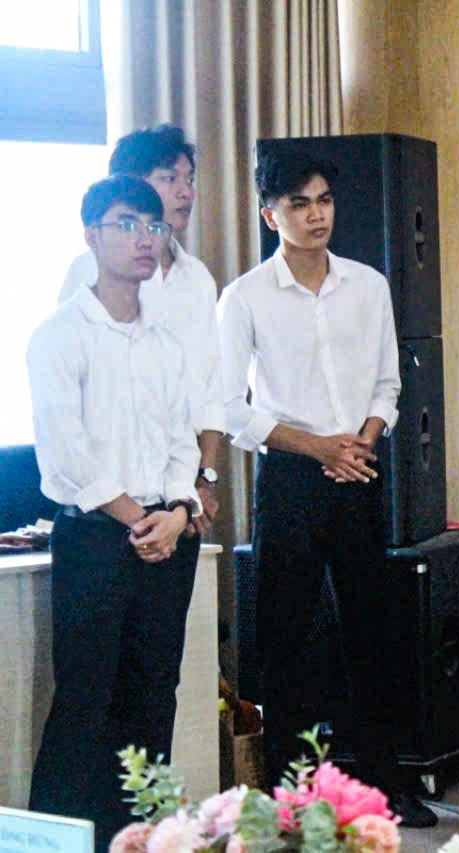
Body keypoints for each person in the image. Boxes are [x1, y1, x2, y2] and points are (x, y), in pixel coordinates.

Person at [217, 145, 435, 826]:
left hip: (361, 467)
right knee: (284, 642)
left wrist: (362, 440)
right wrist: (316, 446)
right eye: (299, 203)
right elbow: (229, 407)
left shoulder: (367, 284)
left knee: (374, 632)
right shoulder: (245, 296)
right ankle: (290, 799)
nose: (316, 216)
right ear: (269, 212)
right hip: (289, 475)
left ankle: (384, 789)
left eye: (325, 201)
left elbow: (388, 382)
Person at [27, 176, 203, 851]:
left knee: (153, 704)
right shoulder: (58, 334)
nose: (142, 239)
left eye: (153, 227)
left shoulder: (166, 338)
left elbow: (182, 441)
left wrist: (181, 509)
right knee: (84, 707)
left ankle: (141, 841)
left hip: (167, 537)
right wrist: (143, 518)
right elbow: (68, 456)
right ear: (91, 235)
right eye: (126, 223)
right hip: (98, 540)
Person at [59, 124, 222, 535]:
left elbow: (209, 387)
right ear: (129, 187)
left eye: (189, 180)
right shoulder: (88, 271)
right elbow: (73, 398)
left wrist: (204, 479)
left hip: (179, 498)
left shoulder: (197, 277)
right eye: (169, 179)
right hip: (107, 499)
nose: (186, 192)